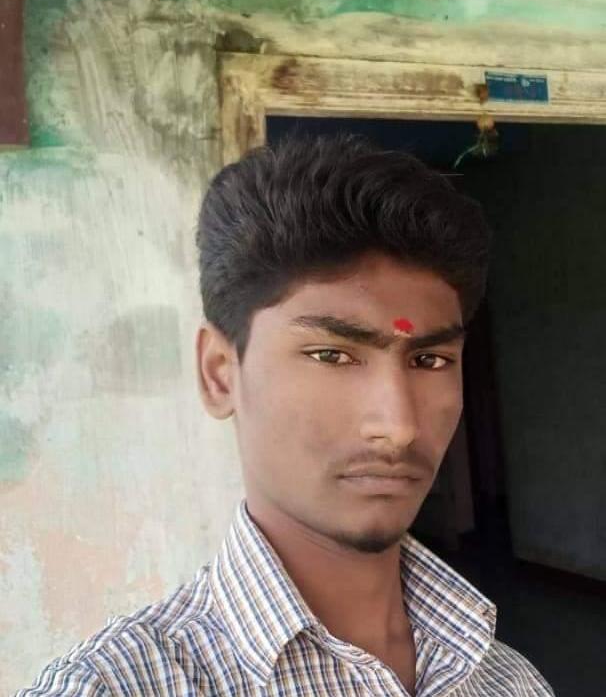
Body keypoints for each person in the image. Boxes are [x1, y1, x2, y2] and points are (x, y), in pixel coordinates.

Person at [16, 134, 554, 696]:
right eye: (332, 355)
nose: (398, 427)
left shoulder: (507, 679)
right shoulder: (115, 686)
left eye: (429, 360)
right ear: (220, 373)